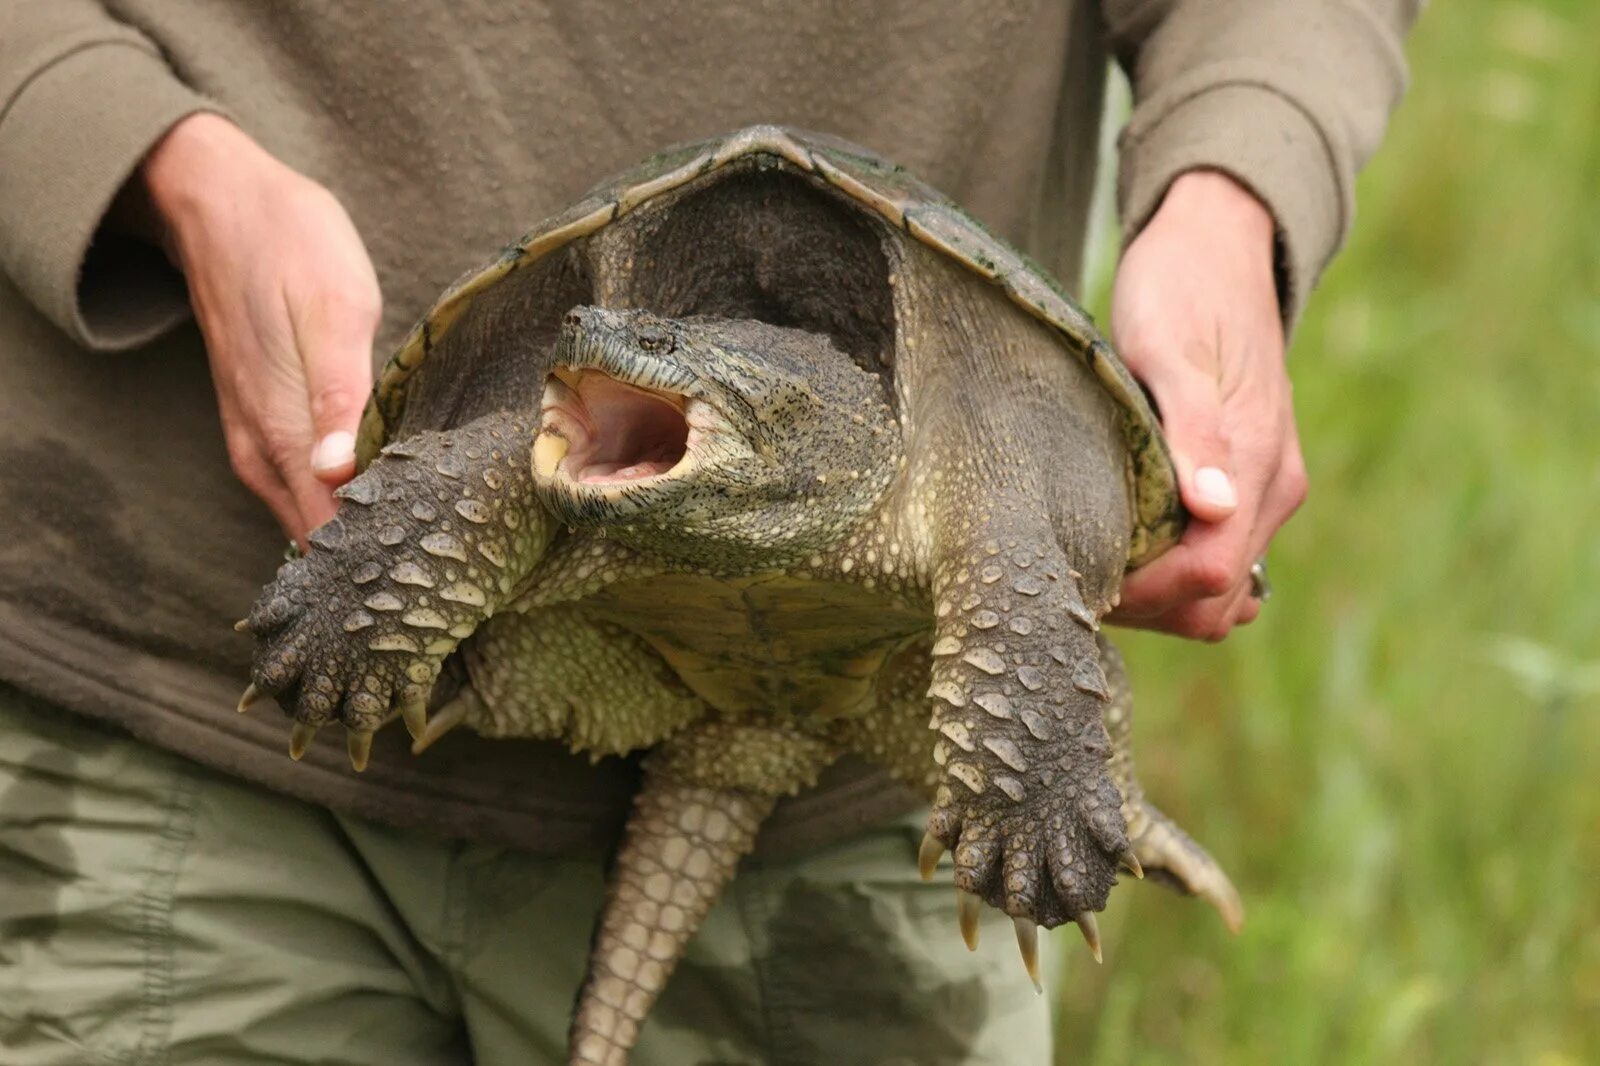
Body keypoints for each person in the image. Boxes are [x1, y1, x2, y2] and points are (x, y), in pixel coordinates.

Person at [0, 2, 1418, 1062]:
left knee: (1003, 605)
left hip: (853, 831)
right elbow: (536, 432)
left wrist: (1241, 174)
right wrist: (133, 150)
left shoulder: (972, 477)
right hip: (157, 713)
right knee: (518, 453)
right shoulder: (570, 410)